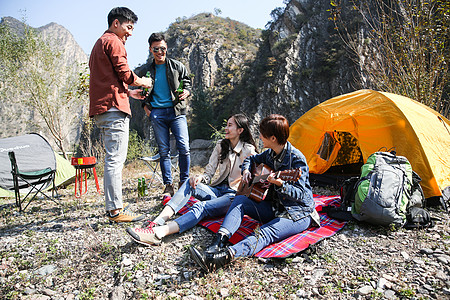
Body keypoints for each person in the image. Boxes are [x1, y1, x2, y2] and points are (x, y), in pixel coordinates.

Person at [189, 114, 321, 272]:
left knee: (265, 233)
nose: (259, 136)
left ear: (272, 138)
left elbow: (300, 194)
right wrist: (246, 170)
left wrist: (281, 184)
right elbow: (251, 160)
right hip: (274, 207)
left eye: (262, 134)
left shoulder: (297, 159)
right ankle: (219, 241)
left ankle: (224, 258)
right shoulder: (271, 153)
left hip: (298, 213)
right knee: (240, 200)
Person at [126, 114, 257, 245]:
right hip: (216, 191)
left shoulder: (249, 150)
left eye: (230, 125)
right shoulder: (220, 145)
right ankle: (157, 221)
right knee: (190, 182)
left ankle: (158, 234)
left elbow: (258, 176)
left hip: (232, 196)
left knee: (201, 206)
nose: (226, 128)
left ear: (240, 130)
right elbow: (209, 173)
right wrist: (200, 177)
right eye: (226, 125)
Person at [89, 7, 153, 223]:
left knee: (112, 158)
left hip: (104, 108)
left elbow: (109, 79)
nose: (130, 33)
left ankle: (113, 207)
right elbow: (126, 74)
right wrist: (143, 81)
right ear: (116, 23)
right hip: (114, 108)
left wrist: (129, 92)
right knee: (115, 160)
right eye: (129, 27)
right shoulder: (114, 41)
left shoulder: (99, 44)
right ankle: (115, 210)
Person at [142, 33, 192, 197]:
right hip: (157, 113)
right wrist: (146, 108)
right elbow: (142, 92)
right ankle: (168, 185)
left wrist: (186, 91)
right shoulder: (147, 70)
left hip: (176, 111)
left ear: (166, 48)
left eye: (162, 48)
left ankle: (184, 182)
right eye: (156, 49)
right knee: (164, 151)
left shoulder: (177, 66)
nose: (159, 52)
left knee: (184, 147)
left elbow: (187, 81)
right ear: (150, 49)